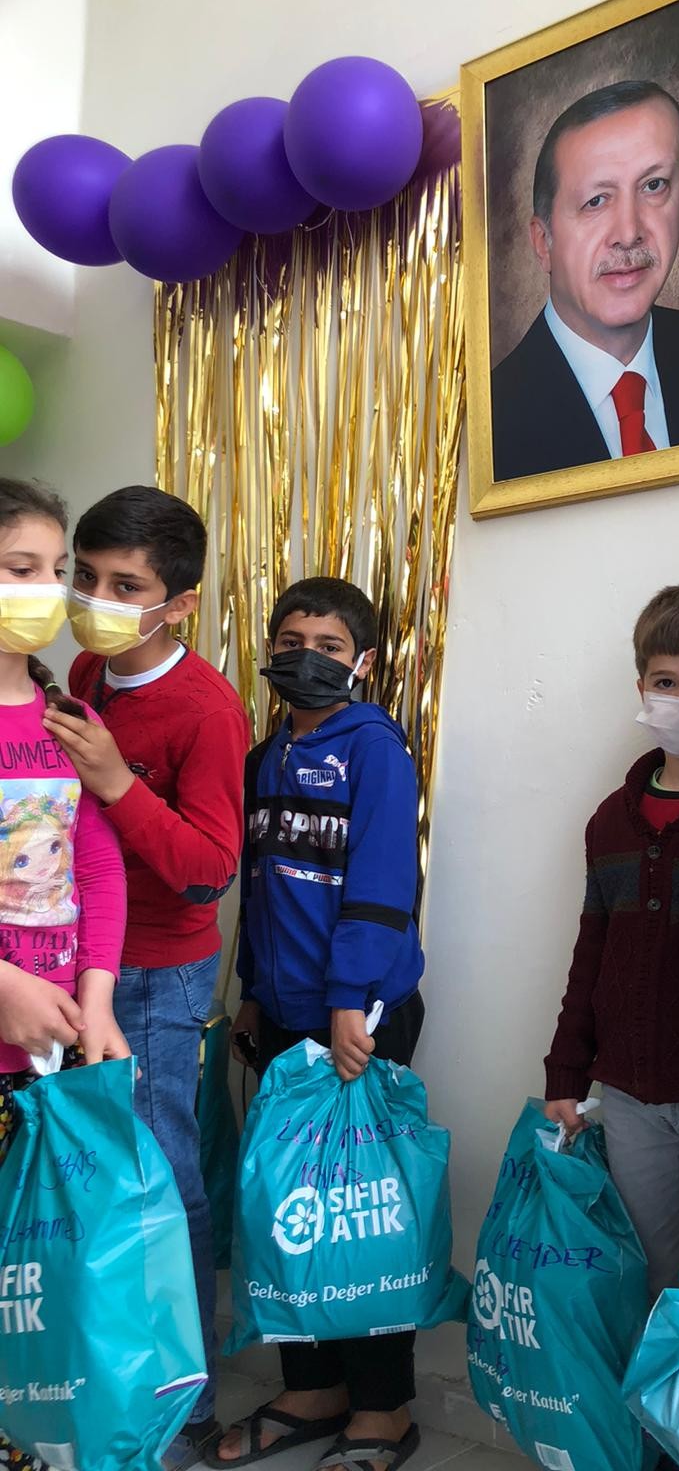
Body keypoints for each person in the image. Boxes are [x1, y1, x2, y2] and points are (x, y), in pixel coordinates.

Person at [43, 485, 250, 1471]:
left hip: (158, 972)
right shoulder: (87, 669)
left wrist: (117, 781)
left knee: (161, 1172)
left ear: (180, 603)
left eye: (126, 586)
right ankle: (94, 1368)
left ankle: (187, 1398)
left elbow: (209, 869)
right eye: (85, 577)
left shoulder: (208, 710)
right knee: (80, 1170)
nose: (97, 599)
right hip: (75, 958)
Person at [214, 577, 425, 1471]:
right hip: (283, 1014)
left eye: (330, 646)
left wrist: (346, 1002)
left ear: (363, 662)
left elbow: (383, 884)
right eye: (292, 642)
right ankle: (312, 1387)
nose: (309, 658)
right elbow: (260, 891)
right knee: (291, 1211)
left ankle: (383, 1407)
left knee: (360, 1214)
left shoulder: (374, 747)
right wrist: (251, 991)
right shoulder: (264, 757)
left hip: (359, 1015)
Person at [544, 582, 679, 1301]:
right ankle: (651, 1384)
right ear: (641, 689)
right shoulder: (611, 819)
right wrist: (567, 1072)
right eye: (666, 682)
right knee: (652, 1273)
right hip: (629, 1091)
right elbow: (592, 952)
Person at [0, 478, 128, 1471]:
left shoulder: (60, 711)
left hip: (57, 1051)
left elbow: (97, 860)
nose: (47, 592)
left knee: (38, 1270)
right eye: (21, 569)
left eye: (54, 571)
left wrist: (96, 996)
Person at [491, 80, 679, 482]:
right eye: (595, 201)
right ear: (543, 242)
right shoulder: (491, 422)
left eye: (654, 186)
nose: (629, 233)